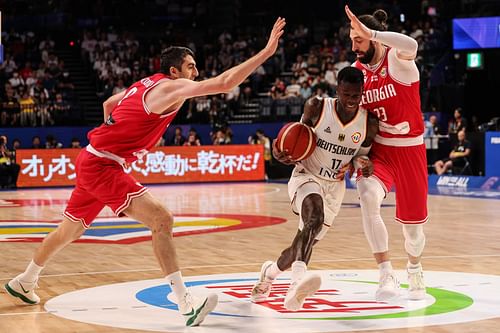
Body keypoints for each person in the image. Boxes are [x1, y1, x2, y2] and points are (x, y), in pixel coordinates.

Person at [5, 17, 286, 327]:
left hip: (92, 158)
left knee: (70, 231)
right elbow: (225, 83)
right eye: (191, 67)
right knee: (162, 219)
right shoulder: (171, 87)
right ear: (175, 71)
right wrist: (267, 51)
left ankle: (25, 280)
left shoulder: (146, 83)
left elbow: (110, 103)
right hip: (103, 165)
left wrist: (118, 135)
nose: (196, 72)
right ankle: (185, 302)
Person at [251, 66, 378, 311]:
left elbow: (359, 157)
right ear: (337, 90)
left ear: (362, 92)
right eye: (346, 94)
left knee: (302, 242)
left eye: (356, 95)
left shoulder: (369, 122)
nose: (351, 100)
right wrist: (281, 153)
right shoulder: (317, 107)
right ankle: (296, 285)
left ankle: (270, 273)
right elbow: (297, 139)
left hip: (334, 187)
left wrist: (363, 163)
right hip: (306, 175)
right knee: (314, 217)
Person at [346, 5, 429, 301]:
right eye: (352, 40)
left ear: (374, 39)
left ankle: (414, 267)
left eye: (359, 40)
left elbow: (412, 45)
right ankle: (386, 274)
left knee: (414, 232)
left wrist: (374, 33)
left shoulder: (397, 59)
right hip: (379, 151)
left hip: (411, 151)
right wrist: (358, 153)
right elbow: (355, 119)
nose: (354, 46)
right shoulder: (354, 74)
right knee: (367, 195)